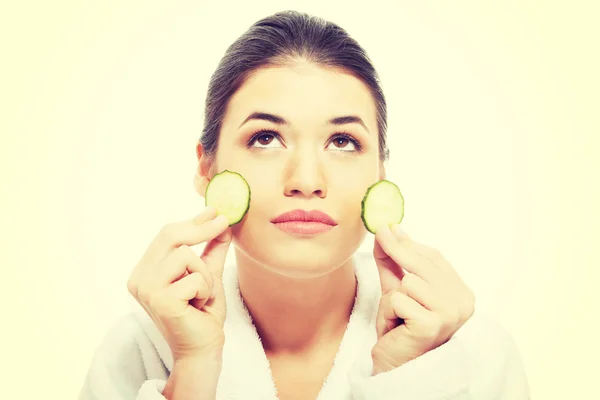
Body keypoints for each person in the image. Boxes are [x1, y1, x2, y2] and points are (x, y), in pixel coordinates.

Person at [79, 10, 530, 400]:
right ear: (207, 168)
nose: (307, 181)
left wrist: (407, 376)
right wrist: (193, 368)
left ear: (380, 173)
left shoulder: (470, 351)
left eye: (343, 141)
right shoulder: (139, 346)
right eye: (266, 138)